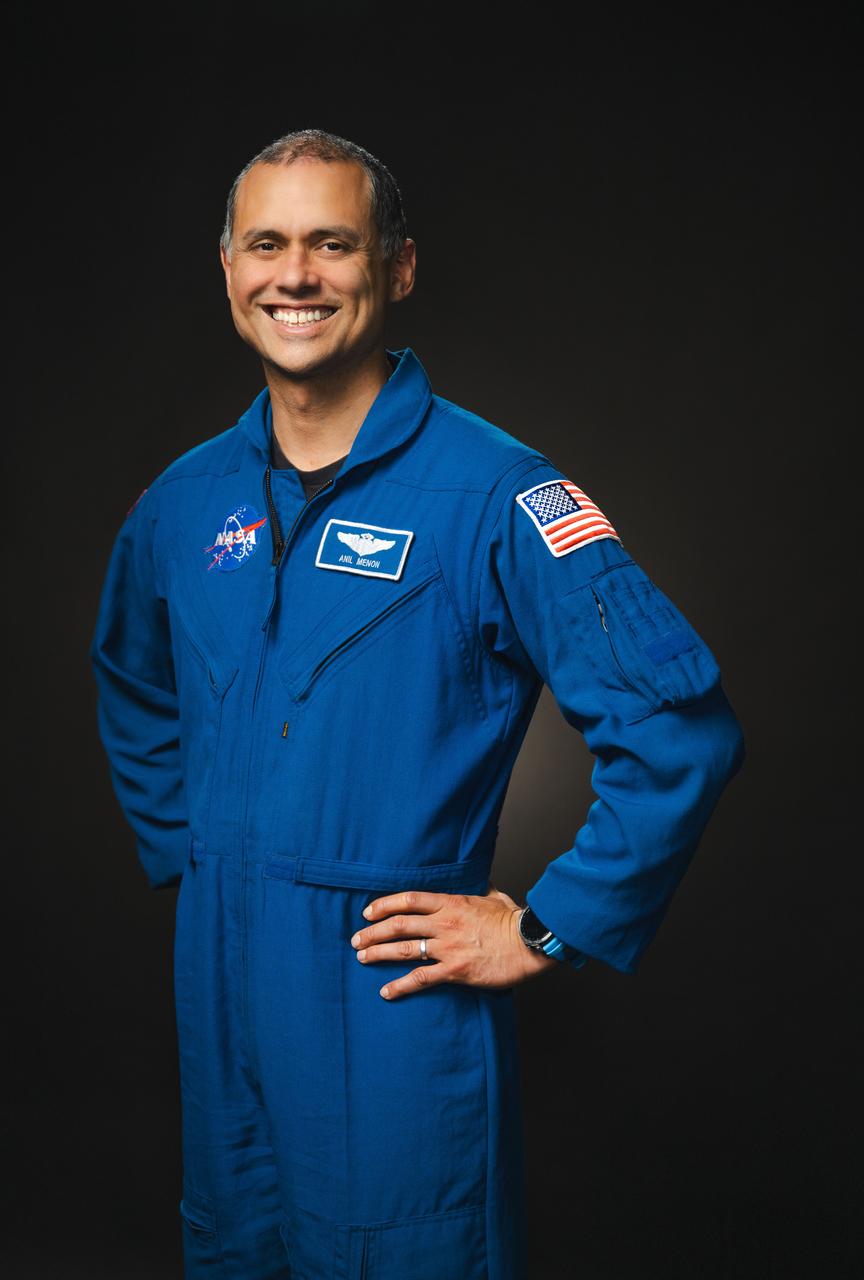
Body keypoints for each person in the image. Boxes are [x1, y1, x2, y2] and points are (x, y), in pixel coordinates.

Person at [90, 128, 745, 1280]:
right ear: (230, 269)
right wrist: (194, 854)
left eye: (332, 243)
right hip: (218, 976)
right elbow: (133, 676)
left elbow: (675, 724)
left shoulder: (494, 492)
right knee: (237, 1248)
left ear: (394, 267)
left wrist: (545, 922)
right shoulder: (182, 501)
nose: (295, 275)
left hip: (380, 989)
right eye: (267, 244)